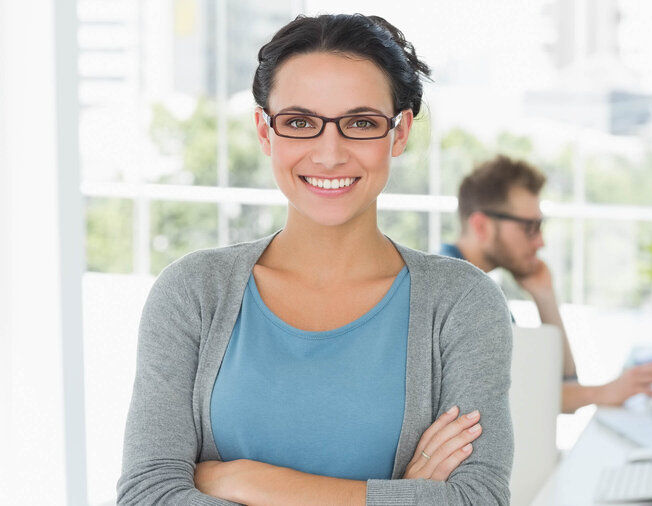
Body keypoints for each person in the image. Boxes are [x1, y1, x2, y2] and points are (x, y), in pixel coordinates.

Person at [118, 14, 514, 505]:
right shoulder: (194, 292)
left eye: (361, 123)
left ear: (399, 132)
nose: (329, 154)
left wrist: (247, 481)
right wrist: (401, 496)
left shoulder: (461, 303)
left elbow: (478, 499)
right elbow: (148, 494)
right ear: (265, 132)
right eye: (300, 123)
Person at [441, 155, 652, 413]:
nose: (540, 242)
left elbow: (560, 380)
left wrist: (544, 295)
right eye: (530, 227)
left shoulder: (473, 282)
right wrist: (607, 391)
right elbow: (522, 398)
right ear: (482, 226)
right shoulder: (458, 293)